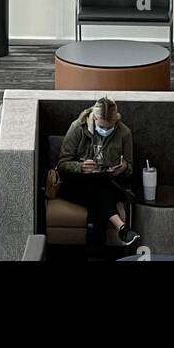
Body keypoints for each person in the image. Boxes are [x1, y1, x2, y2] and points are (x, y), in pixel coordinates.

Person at [57, 96, 140, 249]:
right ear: (94, 118)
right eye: (102, 126)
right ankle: (121, 227)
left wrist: (123, 169)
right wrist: (80, 167)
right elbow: (62, 164)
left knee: (98, 191)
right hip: (75, 184)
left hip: (109, 184)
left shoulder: (124, 133)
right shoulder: (77, 128)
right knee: (96, 184)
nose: (106, 130)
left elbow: (130, 169)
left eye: (110, 127)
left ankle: (97, 252)